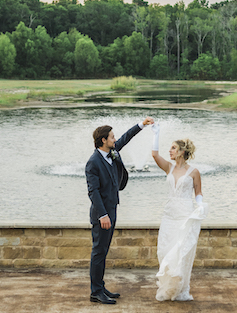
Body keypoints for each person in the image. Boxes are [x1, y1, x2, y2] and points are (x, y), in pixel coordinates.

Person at [86, 116, 154, 305]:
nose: (115, 140)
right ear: (103, 141)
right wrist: (103, 215)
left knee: (104, 251)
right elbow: (93, 192)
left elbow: (126, 137)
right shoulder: (93, 163)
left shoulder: (112, 152)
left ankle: (100, 286)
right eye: (112, 137)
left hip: (112, 209)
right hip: (102, 215)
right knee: (98, 252)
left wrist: (142, 125)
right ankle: (95, 292)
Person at [150, 123, 208, 301]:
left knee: (181, 253)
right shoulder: (169, 167)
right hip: (169, 215)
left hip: (185, 215)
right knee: (165, 250)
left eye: (173, 148)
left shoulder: (194, 172)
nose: (170, 151)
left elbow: (198, 193)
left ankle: (180, 289)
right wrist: (156, 134)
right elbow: (154, 154)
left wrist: (200, 205)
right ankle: (168, 287)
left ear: (182, 151)